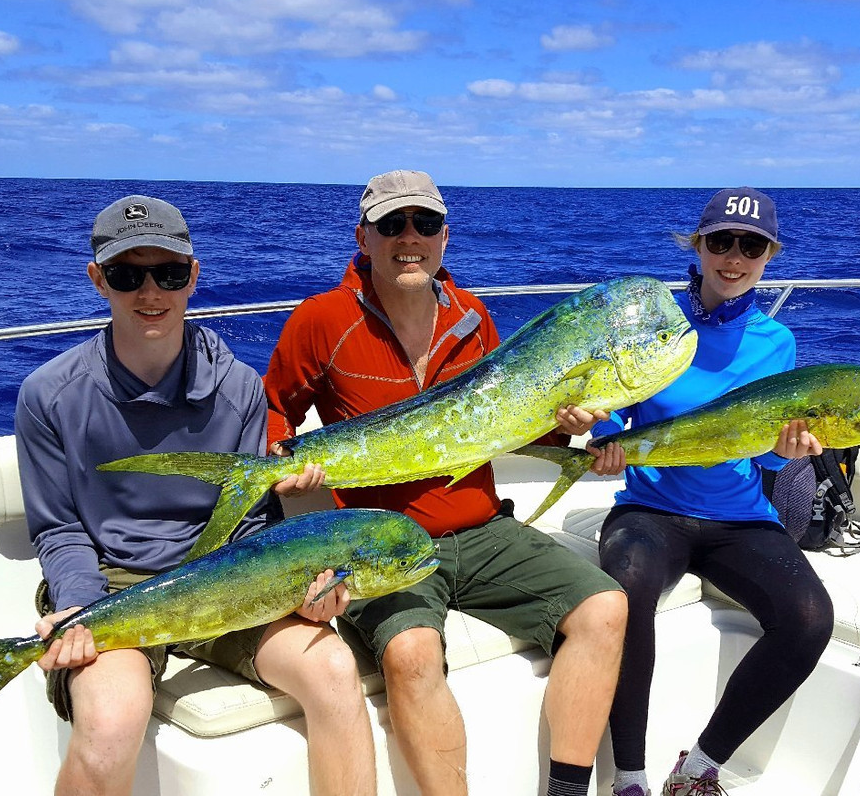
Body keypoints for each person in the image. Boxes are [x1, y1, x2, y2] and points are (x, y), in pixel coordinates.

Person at [264, 169, 628, 796]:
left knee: (606, 608)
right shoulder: (321, 320)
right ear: (363, 235)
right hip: (378, 541)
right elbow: (274, 407)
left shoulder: (474, 317)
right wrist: (284, 464)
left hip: (483, 528)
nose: (411, 238)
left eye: (425, 224)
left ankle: (566, 789)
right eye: (392, 224)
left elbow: (518, 430)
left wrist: (570, 427)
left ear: (444, 237)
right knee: (410, 655)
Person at [15, 194, 373, 796]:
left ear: (194, 276)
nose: (150, 293)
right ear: (98, 279)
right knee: (109, 721)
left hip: (226, 575)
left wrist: (302, 587)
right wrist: (77, 603)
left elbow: (253, 522)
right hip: (117, 585)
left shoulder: (239, 388)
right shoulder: (48, 394)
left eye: (170, 273)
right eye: (129, 275)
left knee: (335, 671)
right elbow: (58, 528)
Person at [588, 188, 835, 796]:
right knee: (627, 592)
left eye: (750, 245)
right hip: (649, 509)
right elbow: (609, 411)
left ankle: (699, 769)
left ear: (769, 256)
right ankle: (630, 778)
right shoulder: (657, 331)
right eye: (720, 241)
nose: (733, 256)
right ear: (696, 247)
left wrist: (789, 449)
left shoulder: (777, 344)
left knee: (809, 619)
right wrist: (603, 437)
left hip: (739, 516)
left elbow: (766, 442)